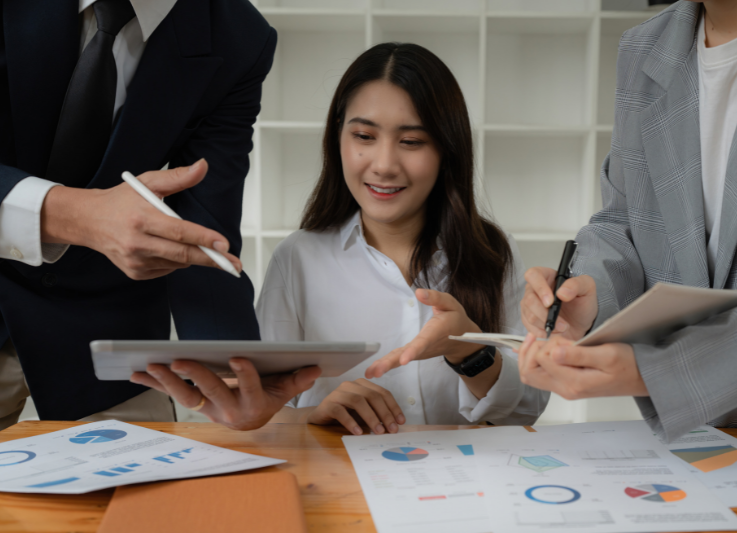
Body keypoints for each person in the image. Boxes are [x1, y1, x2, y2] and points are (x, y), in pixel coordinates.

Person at [139, 42, 548, 432]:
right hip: (341, 487)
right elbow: (261, 414)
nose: (384, 165)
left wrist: (469, 352)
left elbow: (527, 409)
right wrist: (314, 414)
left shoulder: (493, 252)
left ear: (446, 151)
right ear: (338, 139)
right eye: (364, 137)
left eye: (411, 142)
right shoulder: (298, 258)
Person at [0, 0, 316, 430]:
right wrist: (80, 217)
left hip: (106, 330)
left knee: (142, 493)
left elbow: (204, 233)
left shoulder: (239, 38)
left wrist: (231, 373)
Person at [517, 0, 737, 442]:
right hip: (699, 435)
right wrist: (588, 299)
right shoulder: (644, 48)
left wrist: (660, 372)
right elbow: (623, 221)